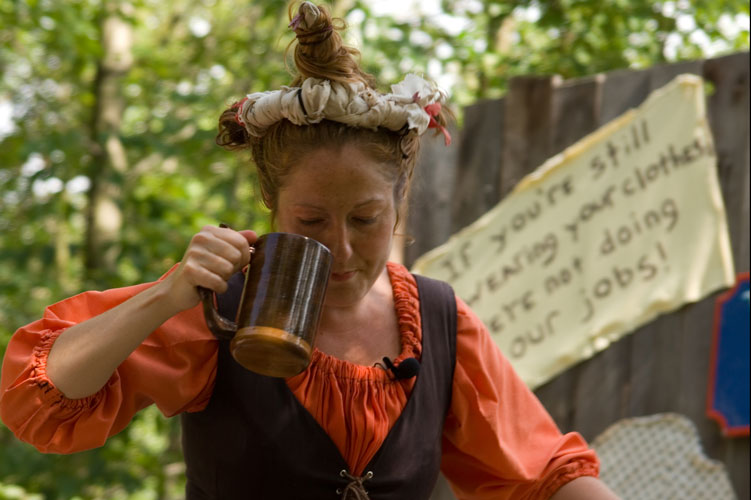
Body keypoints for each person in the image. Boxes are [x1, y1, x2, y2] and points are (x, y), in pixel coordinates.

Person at [0, 2, 621, 499]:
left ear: (399, 201)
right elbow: (44, 397)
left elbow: (541, 473)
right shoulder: (222, 304)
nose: (342, 247)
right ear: (271, 203)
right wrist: (164, 296)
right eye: (311, 219)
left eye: (366, 218)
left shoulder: (439, 321)